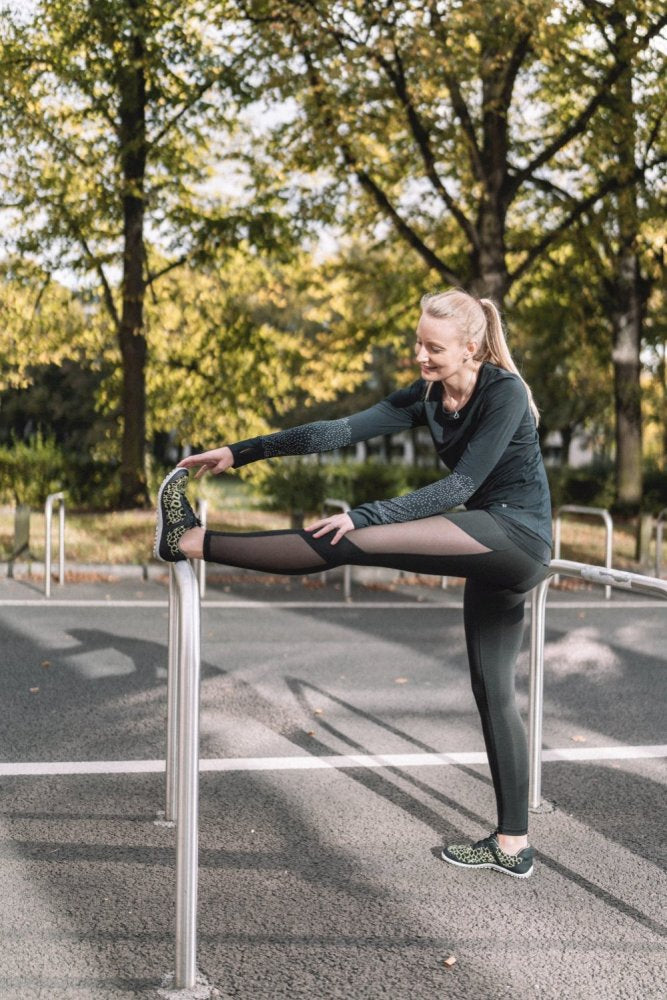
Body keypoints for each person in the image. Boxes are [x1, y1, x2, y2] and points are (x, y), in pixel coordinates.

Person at [154, 287, 552, 879]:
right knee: (493, 689)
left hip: (515, 537)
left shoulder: (505, 392)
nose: (421, 356)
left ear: (472, 348)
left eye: (434, 348)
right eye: (418, 343)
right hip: (485, 540)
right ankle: (512, 846)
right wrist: (241, 453)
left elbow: (458, 489)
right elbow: (335, 432)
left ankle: (189, 540)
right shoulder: (429, 395)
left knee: (346, 539)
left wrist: (365, 515)